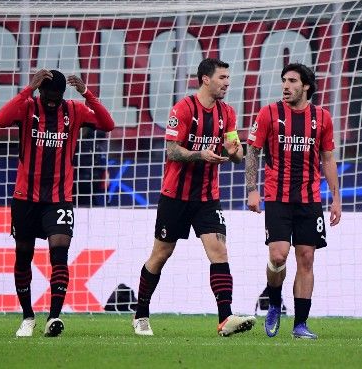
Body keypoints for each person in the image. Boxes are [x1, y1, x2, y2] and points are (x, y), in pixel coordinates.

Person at [132, 58, 255, 337]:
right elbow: (172, 150)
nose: (227, 83)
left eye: (228, 78)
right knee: (161, 254)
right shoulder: (183, 109)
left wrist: (235, 151)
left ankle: (225, 319)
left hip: (208, 198)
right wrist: (200, 155)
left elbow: (235, 153)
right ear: (205, 79)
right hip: (175, 196)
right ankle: (140, 314)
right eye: (222, 77)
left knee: (219, 251)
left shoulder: (227, 114)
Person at [0, 69, 115, 337]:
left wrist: (86, 92)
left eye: (56, 96)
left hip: (59, 198)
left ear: (63, 94)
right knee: (23, 256)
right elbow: (0, 119)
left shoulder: (74, 110)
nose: (52, 101)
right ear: (40, 91)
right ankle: (27, 316)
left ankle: (54, 317)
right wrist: (28, 87)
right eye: (47, 95)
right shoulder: (27, 107)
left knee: (59, 256)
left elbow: (108, 124)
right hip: (25, 198)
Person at [246, 62, 342, 339]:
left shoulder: (322, 117)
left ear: (306, 86)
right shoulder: (268, 113)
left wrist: (335, 199)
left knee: (307, 258)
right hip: (277, 196)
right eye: (283, 80)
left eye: (292, 81)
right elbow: (252, 152)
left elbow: (327, 158)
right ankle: (275, 302)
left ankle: (300, 324)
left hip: (310, 200)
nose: (286, 86)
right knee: (278, 255)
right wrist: (252, 189)